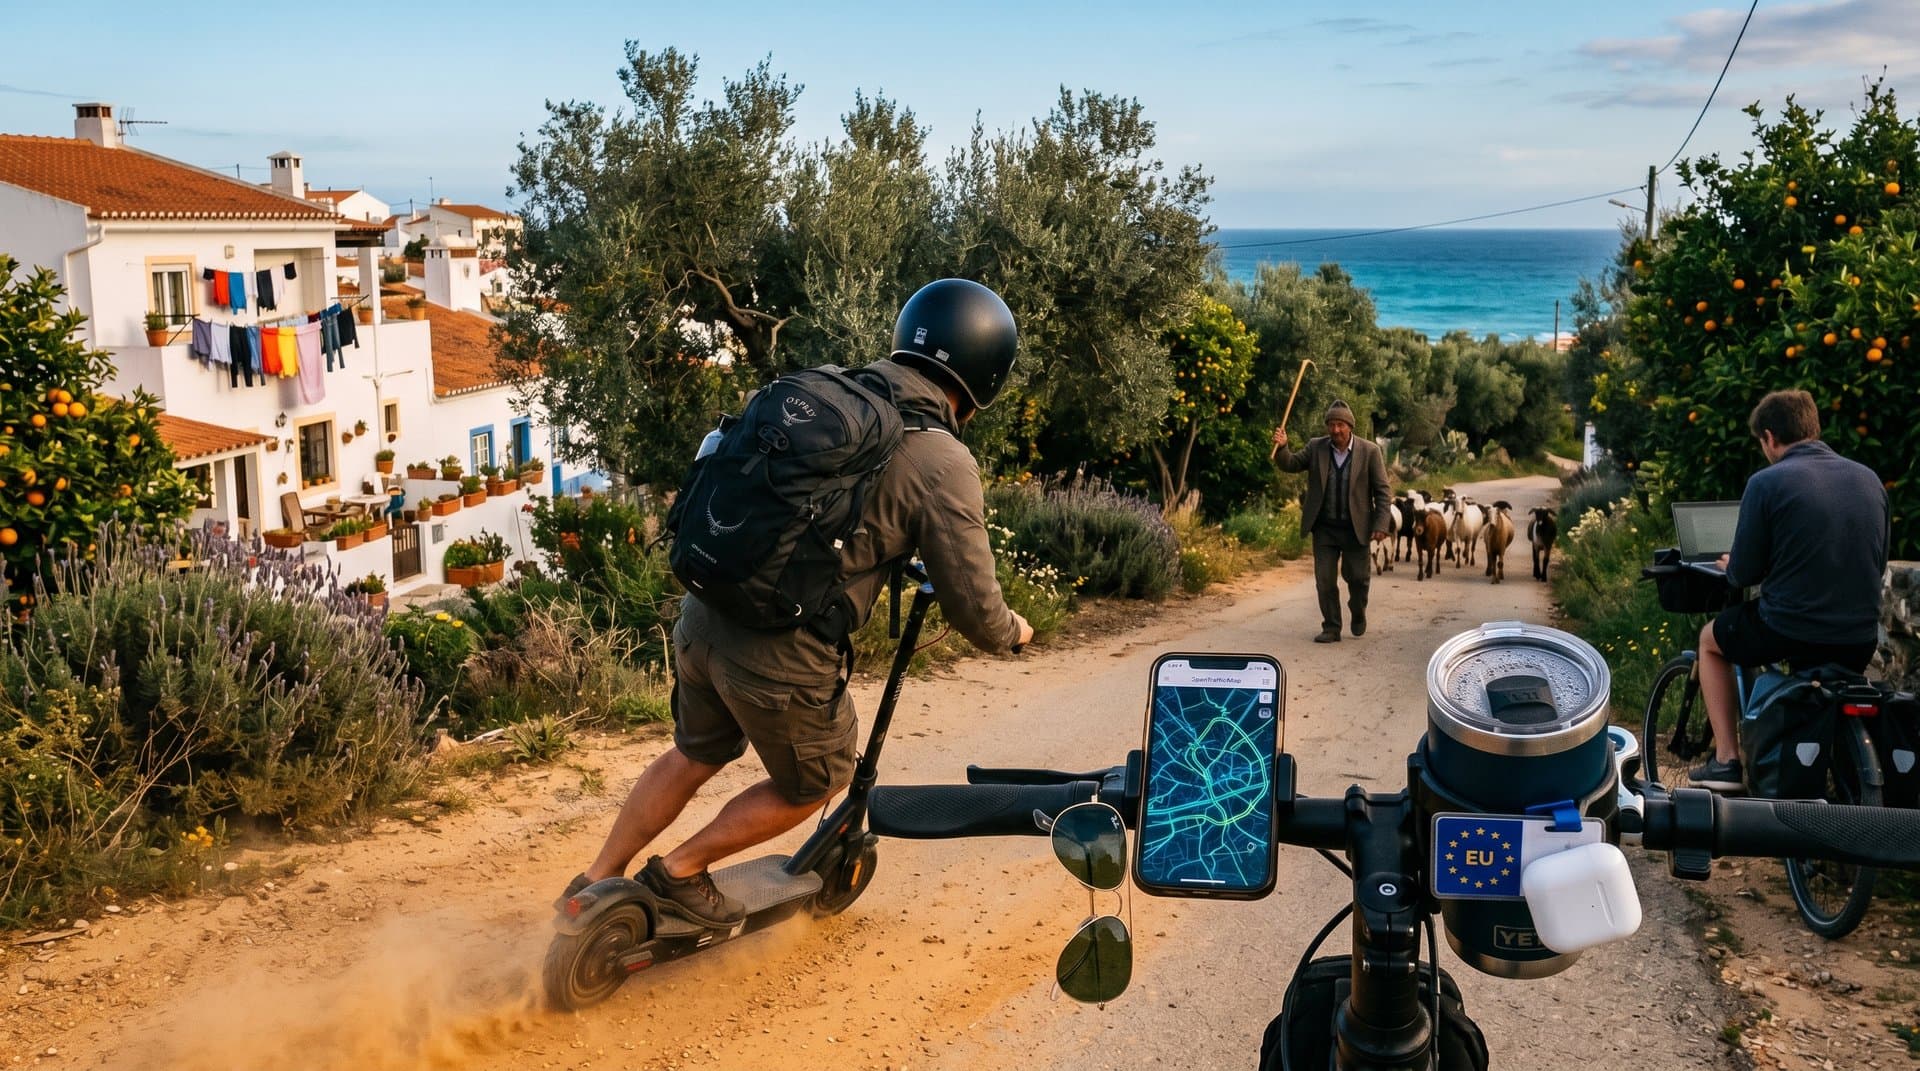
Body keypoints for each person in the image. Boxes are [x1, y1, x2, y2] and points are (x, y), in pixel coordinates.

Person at [563, 278, 1036, 924]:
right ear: (983, 381)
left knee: (695, 750)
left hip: (705, 610)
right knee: (821, 776)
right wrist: (1014, 631)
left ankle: (592, 880)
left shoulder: (824, 387)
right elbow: (976, 610)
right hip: (776, 650)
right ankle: (679, 871)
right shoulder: (943, 460)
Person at [1688, 389, 1890, 792]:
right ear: (1812, 427)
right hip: (1859, 636)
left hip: (1790, 630)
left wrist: (1731, 565)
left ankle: (1727, 761)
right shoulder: (1869, 479)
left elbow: (1742, 574)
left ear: (1769, 437)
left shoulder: (1766, 482)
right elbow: (1877, 562)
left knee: (1710, 641)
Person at [1271, 401, 1393, 643]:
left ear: (1350, 426)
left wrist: (1381, 524)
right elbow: (1291, 464)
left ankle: (1358, 612)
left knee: (1357, 579)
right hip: (1324, 528)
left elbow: (1382, 491)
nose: (1335, 430)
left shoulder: (1369, 452)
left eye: (1340, 425)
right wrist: (1283, 447)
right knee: (1324, 580)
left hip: (1355, 528)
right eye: (1331, 425)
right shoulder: (1317, 448)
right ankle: (1331, 627)